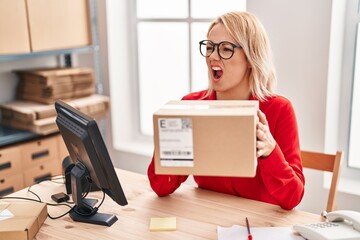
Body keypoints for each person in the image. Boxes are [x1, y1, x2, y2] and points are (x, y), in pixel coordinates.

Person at [147, 11, 304, 210]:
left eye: (225, 49)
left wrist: (271, 151)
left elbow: (292, 198)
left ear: (250, 58)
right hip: (209, 221)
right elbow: (160, 187)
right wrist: (168, 143)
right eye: (210, 47)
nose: (213, 56)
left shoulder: (279, 110)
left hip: (260, 227)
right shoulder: (191, 105)